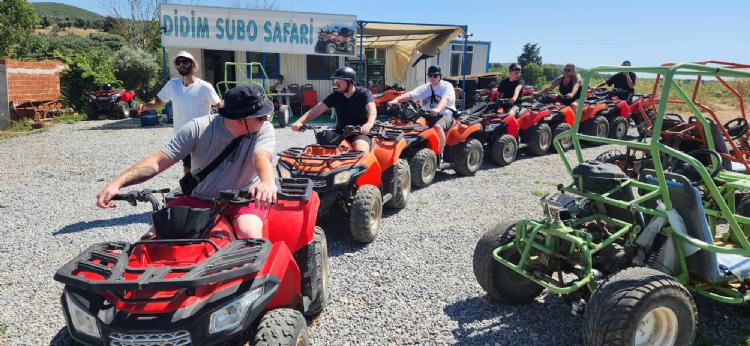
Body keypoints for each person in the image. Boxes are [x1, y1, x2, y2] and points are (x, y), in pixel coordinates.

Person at [97, 85, 277, 240]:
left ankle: (252, 279)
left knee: (249, 234)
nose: (266, 120)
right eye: (261, 116)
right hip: (200, 199)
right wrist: (117, 183)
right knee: (155, 237)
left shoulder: (263, 129)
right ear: (240, 120)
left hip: (242, 201)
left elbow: (261, 157)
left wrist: (267, 182)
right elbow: (159, 161)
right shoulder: (198, 128)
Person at [138, 51, 222, 174]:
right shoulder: (172, 85)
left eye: (185, 61)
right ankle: (188, 191)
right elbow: (158, 102)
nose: (181, 64)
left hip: (202, 135)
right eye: (178, 62)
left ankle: (206, 190)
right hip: (182, 136)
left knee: (204, 166)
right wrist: (144, 106)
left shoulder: (205, 87)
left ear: (193, 65)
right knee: (187, 167)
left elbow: (219, 105)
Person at [291, 67, 376, 152]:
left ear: (350, 82)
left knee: (360, 150)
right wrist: (300, 122)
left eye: (340, 80)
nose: (336, 83)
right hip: (340, 132)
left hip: (360, 132)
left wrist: (369, 123)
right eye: (336, 80)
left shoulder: (364, 93)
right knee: (318, 150)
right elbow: (317, 109)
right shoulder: (336, 96)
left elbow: (371, 109)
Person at [388, 65, 455, 157]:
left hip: (443, 114)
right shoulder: (425, 87)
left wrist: (437, 109)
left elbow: (445, 99)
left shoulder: (447, 86)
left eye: (435, 76)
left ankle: (440, 154)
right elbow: (411, 95)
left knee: (438, 127)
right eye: (430, 75)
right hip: (426, 114)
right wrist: (396, 100)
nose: (432, 78)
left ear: (440, 76)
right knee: (411, 126)